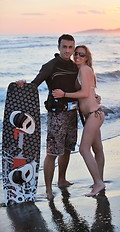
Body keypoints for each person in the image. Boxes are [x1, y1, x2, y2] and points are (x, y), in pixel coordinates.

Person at [17, 34, 79, 200]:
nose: (67, 50)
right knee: (52, 152)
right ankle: (49, 190)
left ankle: (62, 180)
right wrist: (24, 85)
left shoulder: (75, 66)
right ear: (58, 47)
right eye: (64, 47)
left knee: (67, 149)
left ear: (73, 48)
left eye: (70, 47)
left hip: (73, 113)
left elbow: (82, 88)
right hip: (57, 115)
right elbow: (34, 84)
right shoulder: (50, 66)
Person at [52, 45, 105, 196]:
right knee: (97, 150)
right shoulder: (82, 70)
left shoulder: (84, 69)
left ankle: (98, 183)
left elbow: (85, 92)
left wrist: (64, 94)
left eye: (81, 54)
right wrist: (96, 97)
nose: (77, 56)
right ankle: (99, 181)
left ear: (87, 57)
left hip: (94, 114)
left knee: (83, 149)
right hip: (93, 114)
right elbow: (91, 92)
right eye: (76, 54)